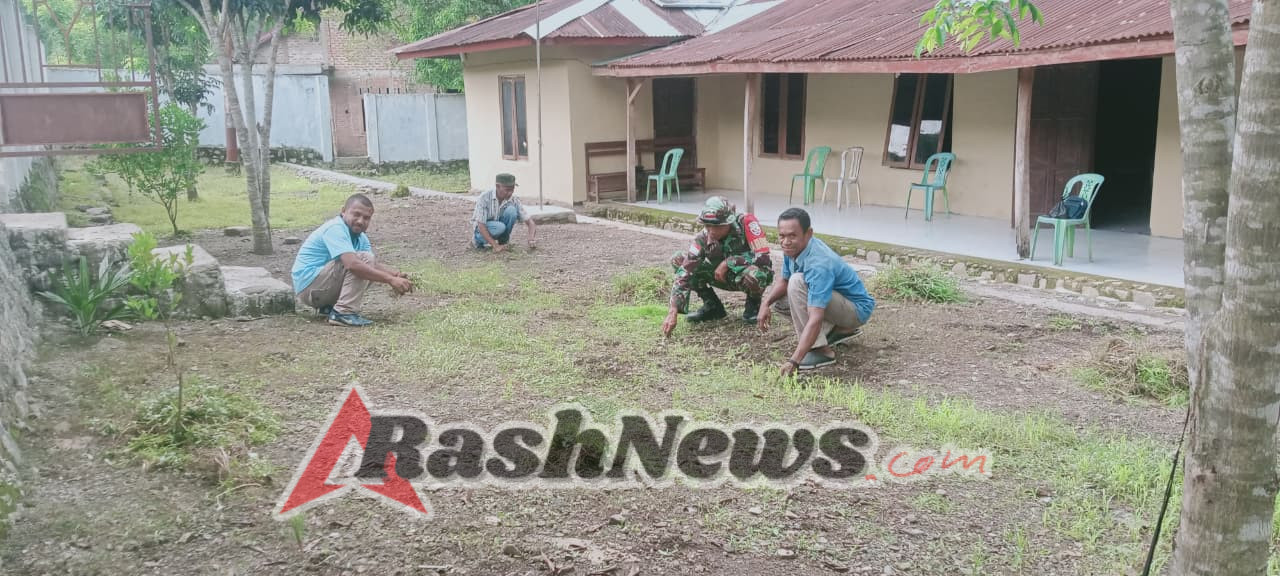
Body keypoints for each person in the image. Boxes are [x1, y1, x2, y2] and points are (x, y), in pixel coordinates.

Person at [758, 208, 875, 374]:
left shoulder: (819, 262)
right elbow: (783, 280)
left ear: (808, 233)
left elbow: (815, 316)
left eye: (792, 235)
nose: (785, 242)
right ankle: (834, 331)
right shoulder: (792, 249)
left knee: (797, 282)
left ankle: (821, 351)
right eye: (782, 236)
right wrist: (765, 303)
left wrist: (794, 361)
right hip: (835, 301)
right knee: (779, 300)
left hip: (856, 310)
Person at [291, 193, 414, 327]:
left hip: (319, 288)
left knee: (367, 262)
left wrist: (395, 274)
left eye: (366, 218)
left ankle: (330, 308)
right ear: (343, 211)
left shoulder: (360, 237)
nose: (361, 221)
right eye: (356, 214)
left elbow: (370, 265)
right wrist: (390, 280)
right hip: (309, 288)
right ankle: (343, 313)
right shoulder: (335, 228)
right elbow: (353, 264)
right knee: (363, 260)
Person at [662, 195, 773, 337]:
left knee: (755, 274)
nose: (710, 230)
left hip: (744, 276)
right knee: (679, 260)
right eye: (707, 225)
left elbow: (763, 258)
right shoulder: (703, 237)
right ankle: (712, 307)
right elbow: (685, 271)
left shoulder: (746, 223)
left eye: (716, 226)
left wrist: (729, 262)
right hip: (720, 276)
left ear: (728, 222)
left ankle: (753, 306)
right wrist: (673, 310)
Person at [471, 173, 536, 252]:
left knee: (512, 211)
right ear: (497, 186)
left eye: (512, 189)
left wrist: (531, 238)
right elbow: (481, 225)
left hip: (497, 227)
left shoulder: (513, 199)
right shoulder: (484, 197)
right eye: (507, 190)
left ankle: (503, 242)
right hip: (482, 230)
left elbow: (530, 222)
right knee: (500, 227)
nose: (510, 193)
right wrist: (495, 246)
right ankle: (479, 242)